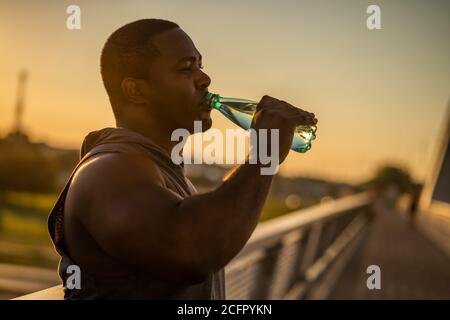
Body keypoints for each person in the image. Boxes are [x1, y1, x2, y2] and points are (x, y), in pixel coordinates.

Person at [47, 18, 318, 299]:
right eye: (186, 68)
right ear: (136, 90)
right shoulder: (107, 170)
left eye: (201, 66)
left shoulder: (162, 171)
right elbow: (193, 251)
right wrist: (264, 155)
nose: (204, 79)